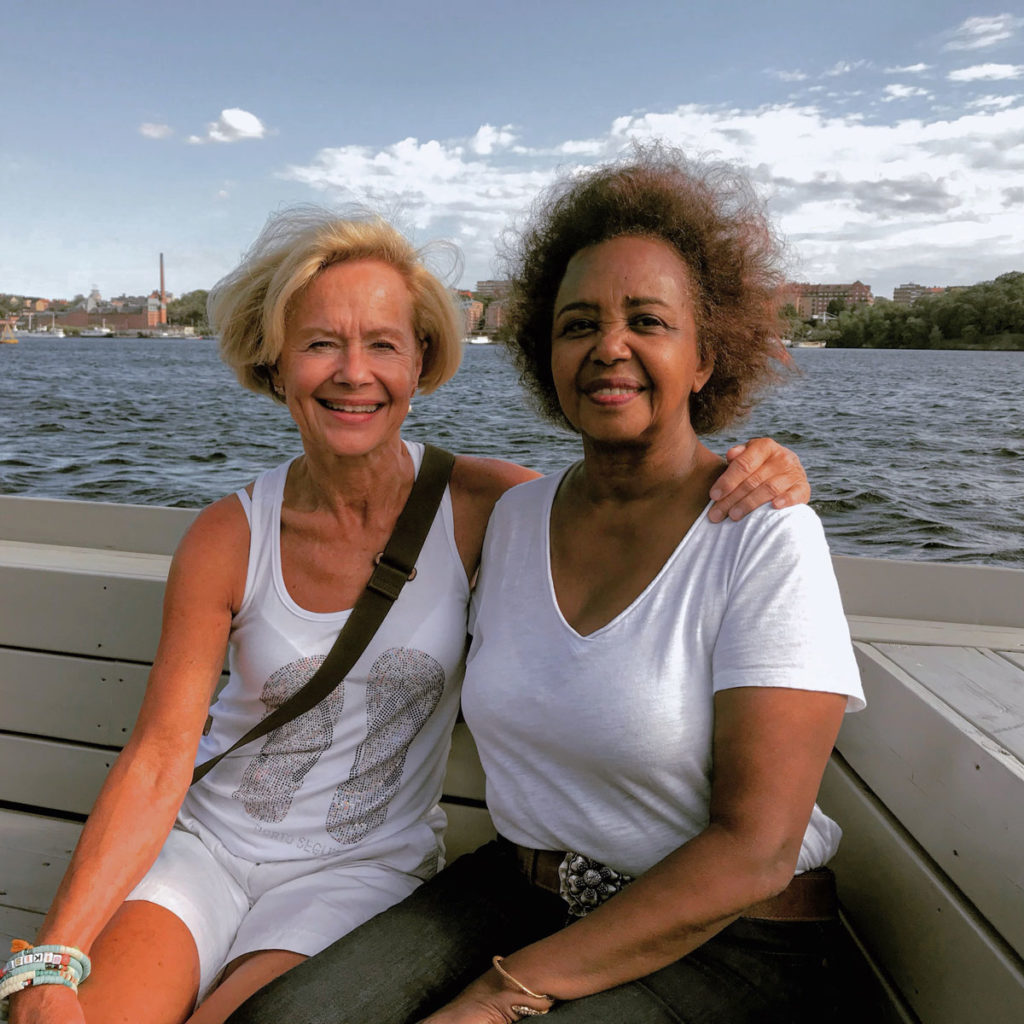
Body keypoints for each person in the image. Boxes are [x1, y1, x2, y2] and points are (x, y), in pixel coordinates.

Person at [4, 207, 809, 1024]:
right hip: (208, 848)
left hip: (361, 870)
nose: (355, 373)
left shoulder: (491, 506)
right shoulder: (229, 535)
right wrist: (52, 960)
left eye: (383, 343)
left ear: (422, 361)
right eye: (320, 343)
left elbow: (630, 507)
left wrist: (760, 467)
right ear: (275, 363)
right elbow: (161, 755)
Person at [226, 147, 864, 1024]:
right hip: (523, 890)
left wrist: (502, 990)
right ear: (545, 355)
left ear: (707, 356)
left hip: (732, 935)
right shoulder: (516, 519)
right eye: (577, 324)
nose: (611, 347)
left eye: (648, 320)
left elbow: (756, 851)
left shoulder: (762, 535)